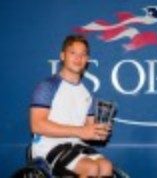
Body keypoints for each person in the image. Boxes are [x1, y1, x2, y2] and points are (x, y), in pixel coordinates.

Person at [30, 35, 113, 177]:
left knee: (106, 166)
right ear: (62, 56)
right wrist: (81, 131)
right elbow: (37, 125)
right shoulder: (47, 86)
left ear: (87, 60)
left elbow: (89, 130)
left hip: (75, 145)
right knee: (91, 169)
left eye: (83, 54)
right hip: (47, 146)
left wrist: (100, 131)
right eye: (73, 53)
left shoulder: (87, 94)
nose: (78, 58)